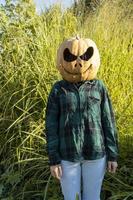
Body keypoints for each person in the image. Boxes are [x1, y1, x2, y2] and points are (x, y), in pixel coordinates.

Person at [45, 36, 119, 200]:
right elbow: (50, 126)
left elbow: (108, 121)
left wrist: (112, 155)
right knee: (71, 198)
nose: (78, 63)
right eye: (70, 57)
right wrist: (54, 160)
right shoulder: (58, 89)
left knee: (92, 197)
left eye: (85, 57)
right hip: (67, 155)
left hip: (95, 153)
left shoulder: (99, 87)